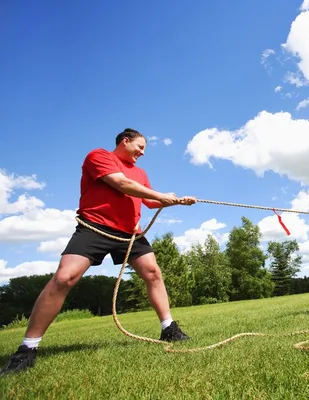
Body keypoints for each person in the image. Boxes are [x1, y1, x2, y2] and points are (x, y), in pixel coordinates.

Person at [1, 128, 196, 377]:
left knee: (153, 274)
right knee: (64, 278)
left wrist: (176, 200)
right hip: (94, 227)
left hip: (130, 233)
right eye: (140, 147)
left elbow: (148, 201)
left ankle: (169, 328)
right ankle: (27, 349)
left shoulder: (141, 173)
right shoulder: (99, 156)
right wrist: (161, 195)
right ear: (125, 141)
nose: (142, 153)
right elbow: (122, 184)